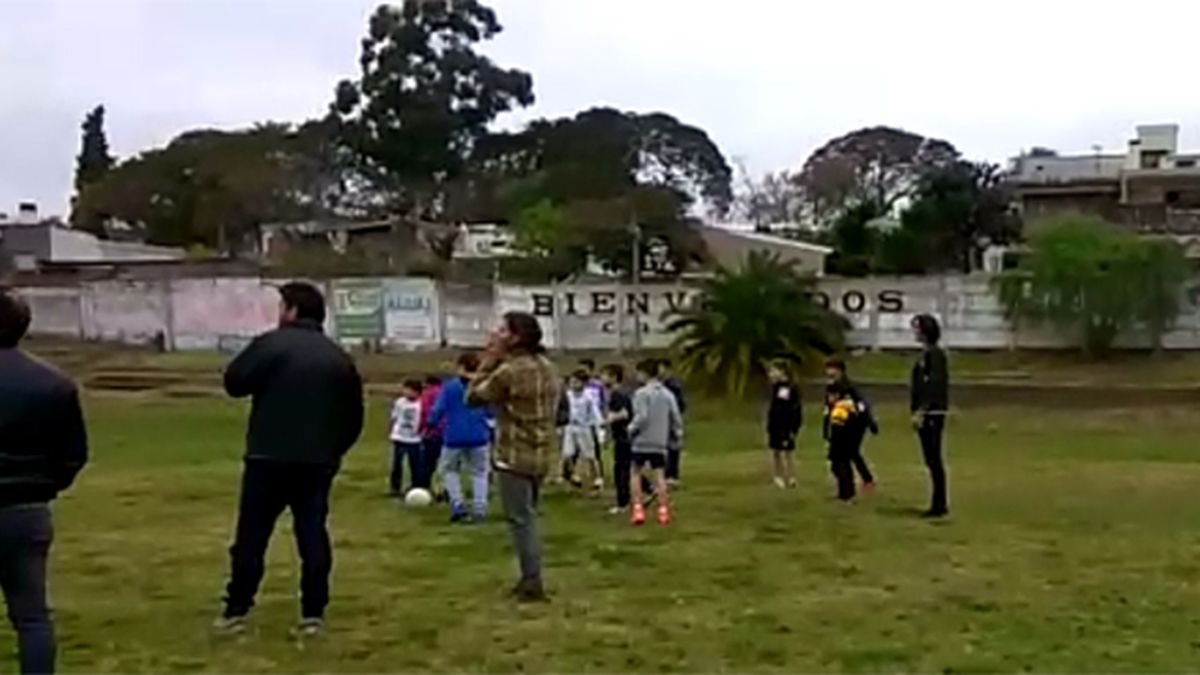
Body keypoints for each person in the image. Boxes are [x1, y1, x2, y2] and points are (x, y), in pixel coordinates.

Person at [217, 281, 364, 637]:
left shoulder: (271, 344)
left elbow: (234, 382)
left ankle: (237, 608)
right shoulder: (339, 357)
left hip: (267, 456)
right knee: (312, 533)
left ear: (293, 311)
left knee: (252, 535)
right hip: (317, 462)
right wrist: (332, 452)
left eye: (282, 306)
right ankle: (313, 611)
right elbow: (354, 417)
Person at [0, 290, 88, 675]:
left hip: (25, 502)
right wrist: (44, 485)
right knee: (32, 615)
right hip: (26, 510)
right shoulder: (54, 384)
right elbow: (73, 453)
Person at [467, 312, 560, 602]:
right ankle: (530, 576)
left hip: (513, 455)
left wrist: (488, 360)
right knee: (529, 515)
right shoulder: (548, 367)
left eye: (502, 330)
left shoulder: (508, 372)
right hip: (542, 454)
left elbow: (472, 397)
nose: (496, 333)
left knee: (521, 521)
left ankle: (532, 581)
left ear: (515, 337)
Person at [429, 353, 493, 523]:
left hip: (454, 436)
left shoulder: (450, 387)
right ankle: (480, 508)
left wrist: (430, 423)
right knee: (480, 472)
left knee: (450, 471)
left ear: (461, 367)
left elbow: (438, 409)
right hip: (479, 435)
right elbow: (491, 411)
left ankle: (457, 504)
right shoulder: (483, 386)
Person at [629, 359, 682, 527]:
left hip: (642, 440)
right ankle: (663, 510)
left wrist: (631, 429)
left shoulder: (641, 393)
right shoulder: (667, 394)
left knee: (636, 473)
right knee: (660, 475)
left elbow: (641, 416)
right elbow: (675, 417)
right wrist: (676, 434)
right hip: (659, 440)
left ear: (644, 373)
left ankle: (638, 509)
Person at [911, 314, 951, 518]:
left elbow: (933, 385)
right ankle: (937, 502)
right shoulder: (925, 355)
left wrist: (922, 410)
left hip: (933, 414)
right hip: (926, 413)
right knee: (930, 459)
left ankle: (939, 504)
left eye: (917, 328)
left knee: (934, 458)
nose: (915, 332)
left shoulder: (935, 356)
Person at [824, 358, 878, 491]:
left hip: (853, 427)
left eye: (833, 369)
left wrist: (870, 423)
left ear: (840, 371)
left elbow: (861, 406)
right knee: (849, 455)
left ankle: (849, 490)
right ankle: (863, 481)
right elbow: (829, 410)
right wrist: (826, 428)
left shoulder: (848, 388)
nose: (829, 372)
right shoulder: (831, 387)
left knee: (844, 458)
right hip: (838, 427)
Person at [560, 369, 604, 492]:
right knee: (567, 453)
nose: (573, 385)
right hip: (570, 427)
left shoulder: (589, 396)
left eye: (576, 382)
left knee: (589, 455)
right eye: (571, 382)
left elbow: (594, 413)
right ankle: (574, 475)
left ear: (583, 383)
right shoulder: (567, 395)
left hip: (584, 427)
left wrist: (598, 425)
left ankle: (597, 477)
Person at [765, 362, 802, 489]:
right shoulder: (775, 387)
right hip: (775, 424)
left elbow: (792, 409)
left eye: (773, 371)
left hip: (786, 425)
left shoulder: (789, 388)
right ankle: (778, 476)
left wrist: (794, 427)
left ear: (782, 372)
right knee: (775, 451)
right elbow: (775, 407)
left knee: (788, 452)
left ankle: (791, 476)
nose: (770, 374)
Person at [388, 379, 424, 497]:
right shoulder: (400, 402)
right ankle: (395, 488)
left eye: (409, 390)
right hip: (399, 437)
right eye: (405, 389)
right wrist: (391, 431)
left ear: (417, 392)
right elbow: (394, 417)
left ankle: (416, 486)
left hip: (414, 439)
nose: (406, 392)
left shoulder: (422, 403)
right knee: (397, 464)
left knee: (415, 464)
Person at [658, 358, 687, 487]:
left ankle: (673, 475)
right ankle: (667, 474)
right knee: (666, 448)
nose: (659, 371)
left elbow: (680, 405)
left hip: (672, 420)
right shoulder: (662, 385)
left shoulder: (673, 386)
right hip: (664, 420)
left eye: (661, 368)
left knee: (673, 448)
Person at [417, 374, 445, 493]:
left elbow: (425, 412)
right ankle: (444, 490)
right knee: (446, 465)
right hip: (448, 434)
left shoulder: (427, 394)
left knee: (427, 463)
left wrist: (422, 429)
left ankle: (423, 488)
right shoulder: (446, 393)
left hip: (432, 433)